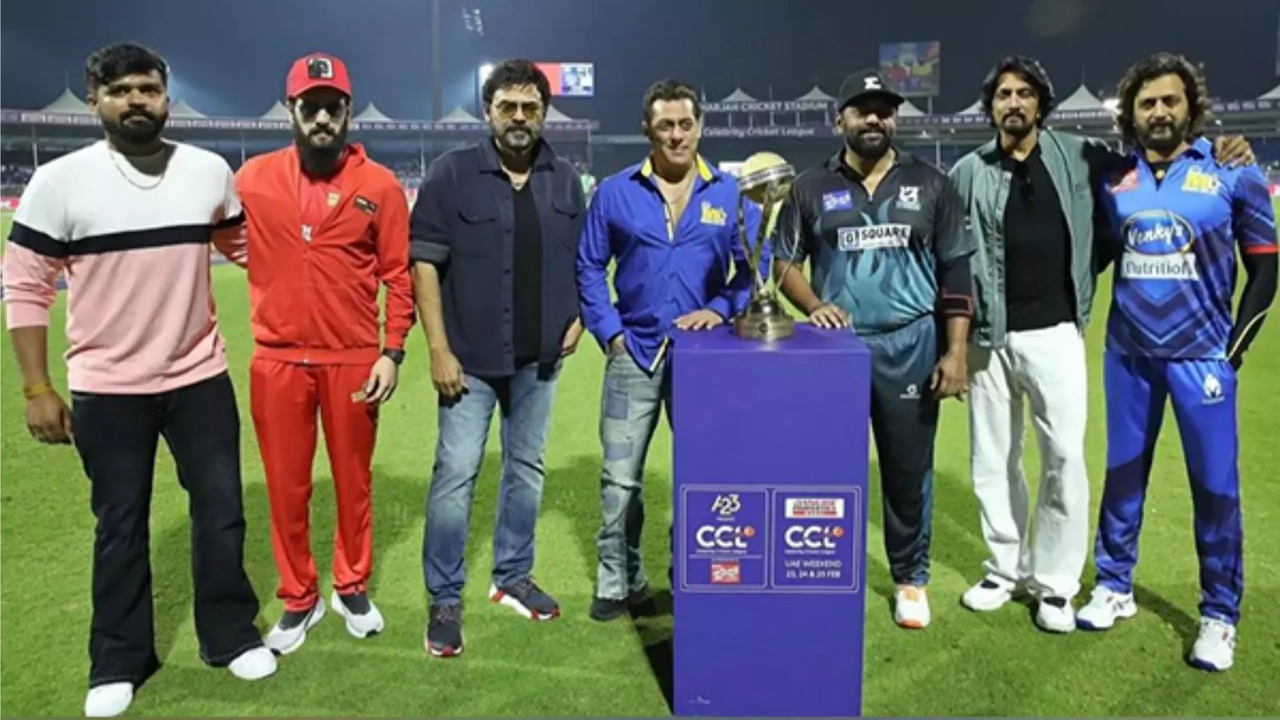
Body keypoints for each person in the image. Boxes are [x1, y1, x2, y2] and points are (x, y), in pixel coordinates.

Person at [1, 42, 275, 717]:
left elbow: (247, 249)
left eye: (147, 89)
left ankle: (229, 635)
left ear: (166, 96)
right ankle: (118, 660)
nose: (135, 102)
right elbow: (25, 286)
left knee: (221, 513)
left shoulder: (207, 171)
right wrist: (38, 388)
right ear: (93, 99)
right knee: (120, 524)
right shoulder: (58, 182)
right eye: (120, 90)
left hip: (199, 376)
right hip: (108, 387)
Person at [947, 56, 1255, 633]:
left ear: (1041, 104)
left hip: (1058, 330)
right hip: (990, 336)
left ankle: (1058, 585)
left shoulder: (1082, 158)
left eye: (1024, 94)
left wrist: (1219, 145)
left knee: (1064, 458)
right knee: (993, 460)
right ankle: (1004, 568)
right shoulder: (967, 169)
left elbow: (1158, 154)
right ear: (990, 107)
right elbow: (951, 253)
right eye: (1002, 95)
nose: (1013, 103)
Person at [1080, 52, 1276, 672]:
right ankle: (1114, 585)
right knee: (1122, 476)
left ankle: (1219, 615)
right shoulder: (1117, 182)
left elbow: (1266, 265)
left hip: (1202, 361)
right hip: (1129, 357)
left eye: (1170, 100)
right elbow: (1098, 255)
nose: (1159, 111)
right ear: (1131, 115)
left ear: (1191, 106)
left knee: (1216, 489)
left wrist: (1233, 350)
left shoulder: (1230, 172)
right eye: (1147, 103)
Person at [772, 69, 974, 630]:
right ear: (840, 120)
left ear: (894, 119)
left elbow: (958, 268)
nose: (874, 119)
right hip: (834, 349)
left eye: (884, 109)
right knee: (827, 470)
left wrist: (955, 352)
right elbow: (783, 263)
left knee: (907, 470)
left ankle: (910, 579)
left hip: (910, 342)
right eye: (862, 110)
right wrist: (813, 305)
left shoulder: (931, 182)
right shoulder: (810, 186)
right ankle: (821, 567)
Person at [227, 53, 415, 654]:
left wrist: (392, 351)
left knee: (353, 482)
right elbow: (215, 238)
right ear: (292, 110)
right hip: (278, 359)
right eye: (311, 107)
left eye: (334, 107)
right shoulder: (251, 178)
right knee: (287, 486)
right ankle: (299, 597)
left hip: (354, 360)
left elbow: (399, 277)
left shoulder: (379, 186)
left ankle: (351, 585)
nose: (322, 117)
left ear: (348, 111)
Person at [410, 59, 585, 658]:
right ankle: (444, 596)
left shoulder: (565, 179)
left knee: (527, 470)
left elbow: (582, 259)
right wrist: (437, 348)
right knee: (456, 475)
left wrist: (581, 315)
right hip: (469, 361)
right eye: (508, 106)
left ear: (543, 113)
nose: (519, 117)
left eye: (530, 107)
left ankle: (512, 576)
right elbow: (425, 264)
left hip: (539, 360)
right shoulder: (451, 174)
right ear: (488, 112)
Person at [578, 78, 760, 622]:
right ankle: (619, 581)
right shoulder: (615, 191)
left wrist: (723, 309)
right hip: (633, 350)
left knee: (701, 474)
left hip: (704, 358)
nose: (677, 136)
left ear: (700, 127)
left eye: (685, 124)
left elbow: (755, 268)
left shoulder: (729, 193)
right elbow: (589, 264)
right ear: (647, 130)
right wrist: (608, 331)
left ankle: (694, 575)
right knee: (620, 480)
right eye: (665, 126)